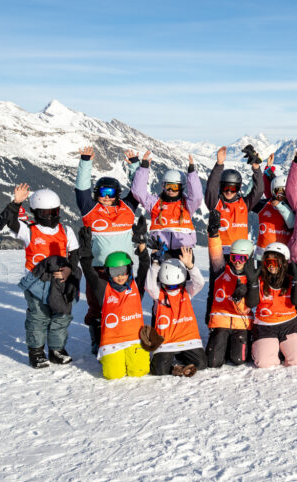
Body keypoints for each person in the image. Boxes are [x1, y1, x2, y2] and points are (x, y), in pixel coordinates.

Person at [0, 184, 81, 368]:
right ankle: (36, 351)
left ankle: (56, 349)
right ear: (36, 212)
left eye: (54, 212)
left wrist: (69, 271)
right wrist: (16, 203)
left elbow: (74, 256)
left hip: (60, 282)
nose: (50, 216)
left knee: (61, 316)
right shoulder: (29, 230)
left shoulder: (66, 230)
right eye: (45, 213)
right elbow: (8, 222)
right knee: (39, 317)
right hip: (36, 282)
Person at [74, 146, 141, 355]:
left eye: (111, 193)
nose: (106, 197)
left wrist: (136, 166)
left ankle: (125, 335)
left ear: (117, 195)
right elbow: (81, 188)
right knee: (97, 305)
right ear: (97, 194)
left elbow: (138, 189)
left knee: (125, 305)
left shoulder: (128, 208)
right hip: (99, 268)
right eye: (102, 193)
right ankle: (97, 339)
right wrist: (85, 162)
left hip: (124, 268)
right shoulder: (90, 209)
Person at [79, 228, 151, 379]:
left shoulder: (136, 287)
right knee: (113, 375)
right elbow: (88, 271)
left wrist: (142, 248)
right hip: (112, 342)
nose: (119, 276)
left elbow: (144, 267)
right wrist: (85, 250)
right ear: (107, 272)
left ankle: (129, 357)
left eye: (123, 271)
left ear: (129, 270)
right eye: (114, 272)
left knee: (139, 372)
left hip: (135, 340)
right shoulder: (103, 289)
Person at [246, 242, 297, 368]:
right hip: (265, 325)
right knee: (265, 363)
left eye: (275, 262)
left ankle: (283, 348)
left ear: (283, 263)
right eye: (268, 262)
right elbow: (251, 303)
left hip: (289, 324)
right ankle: (273, 348)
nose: (271, 266)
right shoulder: (260, 280)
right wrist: (253, 283)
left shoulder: (290, 279)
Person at [205, 210, 255, 368]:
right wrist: (213, 233)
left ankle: (230, 345)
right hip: (221, 321)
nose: (237, 262)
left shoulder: (252, 277)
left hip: (242, 324)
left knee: (238, 360)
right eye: (234, 257)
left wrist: (242, 296)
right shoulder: (222, 270)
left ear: (249, 258)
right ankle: (222, 343)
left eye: (242, 258)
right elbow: (215, 253)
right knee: (213, 362)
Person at [146, 247, 208, 376]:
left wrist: (190, 266)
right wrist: (155, 265)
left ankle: (179, 358)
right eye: (168, 286)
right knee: (159, 371)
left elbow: (200, 283)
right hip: (166, 341)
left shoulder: (186, 291)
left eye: (176, 285)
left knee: (201, 364)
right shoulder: (159, 294)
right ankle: (175, 365)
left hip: (187, 338)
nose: (172, 289)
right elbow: (149, 286)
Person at [131, 151, 202, 257]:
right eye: (167, 186)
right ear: (163, 186)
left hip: (184, 251)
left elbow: (197, 196)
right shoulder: (154, 203)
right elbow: (138, 192)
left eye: (175, 187)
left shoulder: (187, 204)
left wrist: (191, 173)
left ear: (181, 187)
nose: (170, 190)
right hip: (160, 250)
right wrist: (144, 168)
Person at [204, 145, 264, 250]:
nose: (229, 191)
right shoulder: (215, 203)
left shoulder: (244, 204)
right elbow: (211, 189)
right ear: (221, 186)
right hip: (220, 251)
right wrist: (219, 164)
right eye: (226, 187)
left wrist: (256, 168)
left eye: (233, 188)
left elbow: (259, 190)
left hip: (241, 252)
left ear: (238, 188)